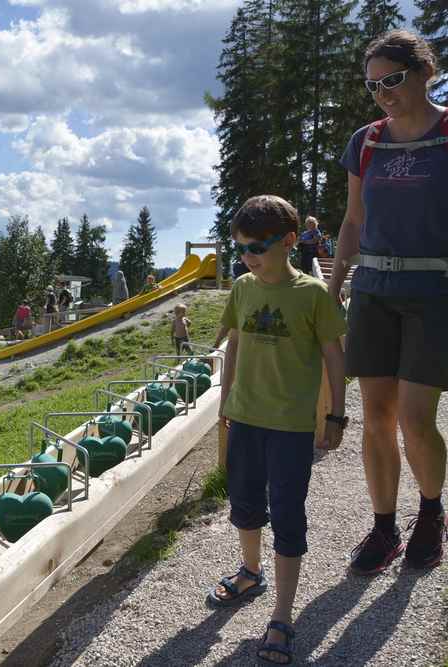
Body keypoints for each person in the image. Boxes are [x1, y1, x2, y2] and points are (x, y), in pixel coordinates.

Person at [329, 29, 448, 576]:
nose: (382, 93)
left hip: (435, 293)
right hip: (374, 290)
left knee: (415, 418)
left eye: (393, 80)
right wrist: (333, 291)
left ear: (425, 70)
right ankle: (383, 527)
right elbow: (354, 221)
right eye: (373, 85)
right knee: (375, 415)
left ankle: (430, 513)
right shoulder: (366, 142)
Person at [208, 195, 347, 665]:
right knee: (244, 503)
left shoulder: (311, 295)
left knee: (287, 514)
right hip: (245, 418)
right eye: (241, 248)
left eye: (257, 247)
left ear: (289, 242)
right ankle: (250, 570)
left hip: (289, 427)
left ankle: (282, 616)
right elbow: (235, 345)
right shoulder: (243, 287)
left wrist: (336, 415)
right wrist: (225, 404)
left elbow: (333, 357)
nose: (248, 257)